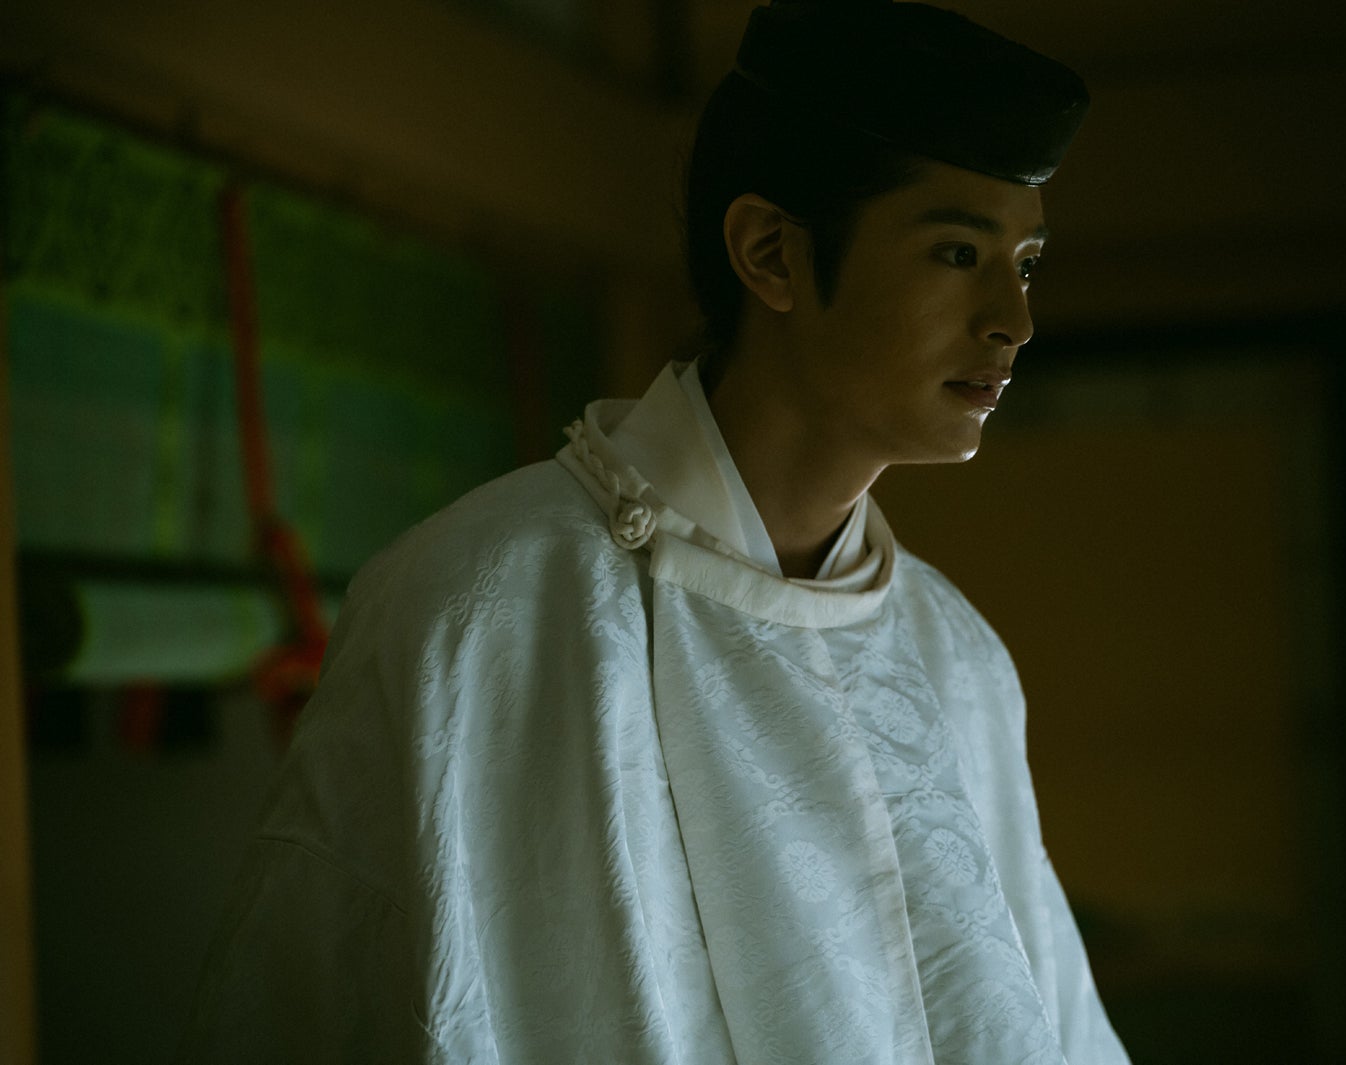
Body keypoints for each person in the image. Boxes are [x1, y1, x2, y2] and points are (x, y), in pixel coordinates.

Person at [181, 2, 1131, 1062]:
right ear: (770, 253)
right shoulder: (483, 607)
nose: (1014, 320)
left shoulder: (955, 656)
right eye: (957, 252)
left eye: (1025, 263)